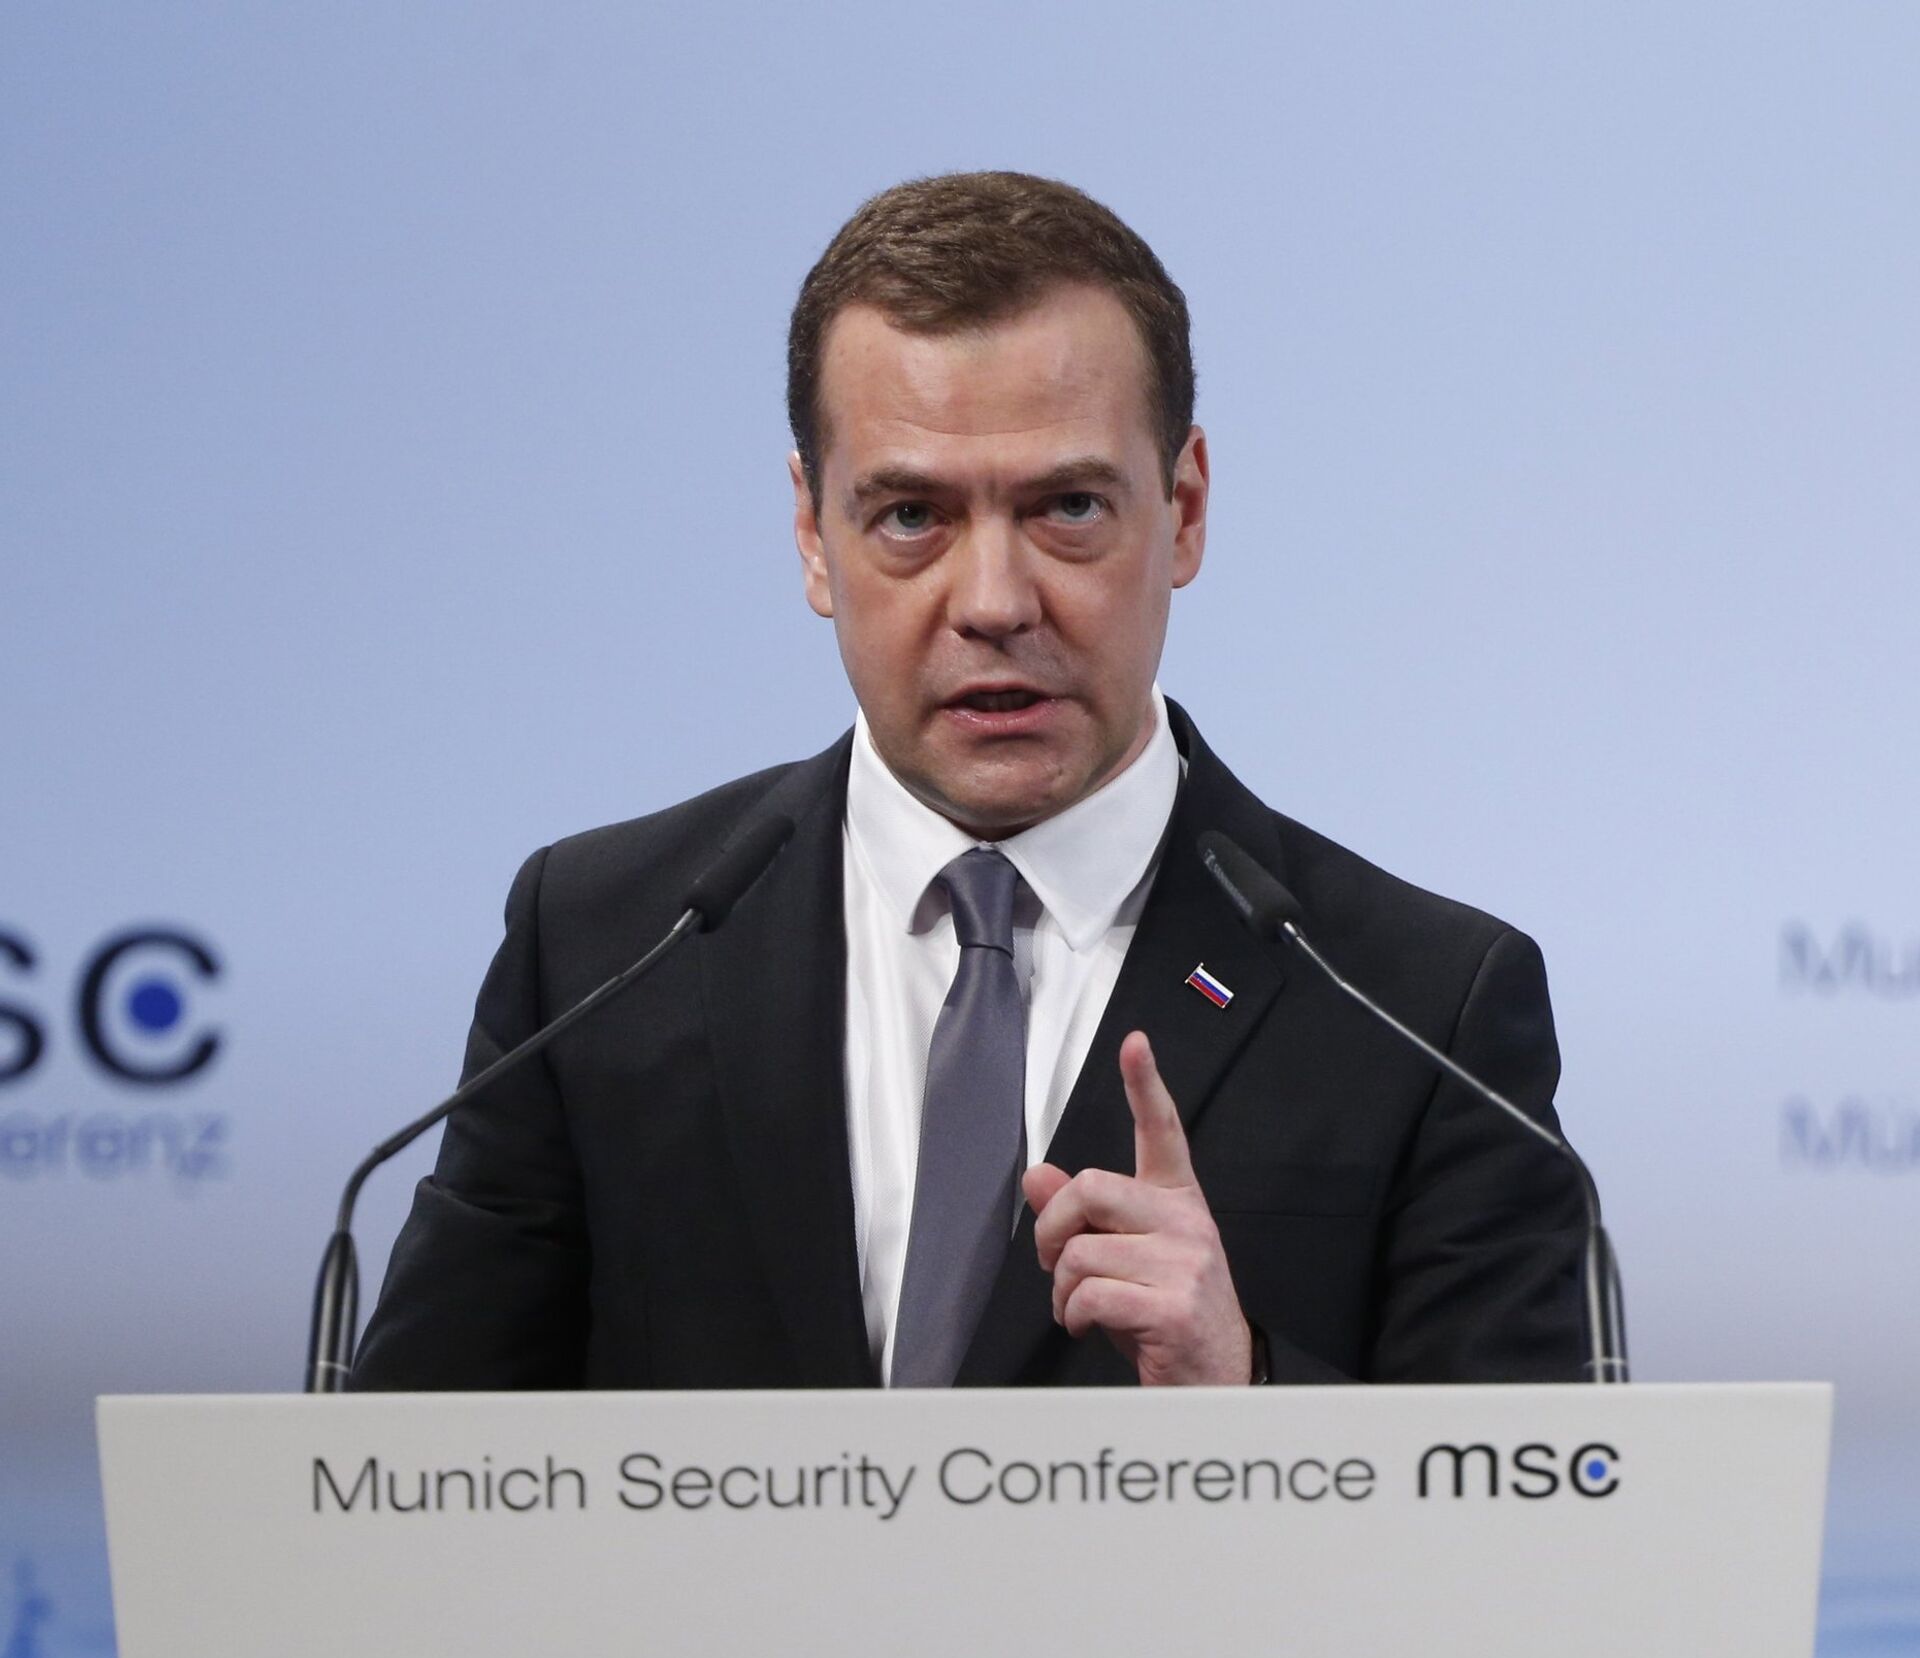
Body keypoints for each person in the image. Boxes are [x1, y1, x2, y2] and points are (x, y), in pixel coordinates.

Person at [351, 171, 1588, 1394]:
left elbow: (1526, 1505)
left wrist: (1246, 1386)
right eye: (910, 516)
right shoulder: (605, 953)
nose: (994, 602)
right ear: (812, 533)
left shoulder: (1419, 1013)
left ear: (1185, 508)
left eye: (1068, 506)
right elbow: (397, 1477)